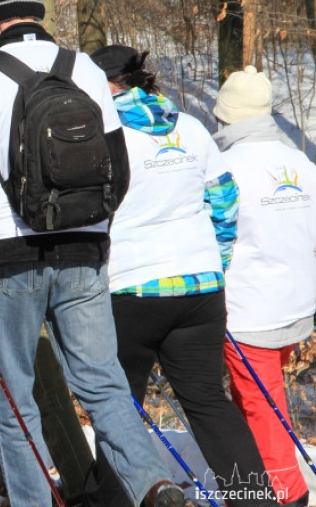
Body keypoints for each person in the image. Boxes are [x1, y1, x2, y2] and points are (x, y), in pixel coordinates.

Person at [0, 0, 184, 507]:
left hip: (11, 257)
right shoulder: (88, 70)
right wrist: (94, 229)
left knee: (16, 397)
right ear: (38, 14)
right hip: (85, 253)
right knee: (103, 383)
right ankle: (152, 483)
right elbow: (118, 167)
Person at [86, 46, 277, 507]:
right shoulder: (190, 127)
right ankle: (256, 502)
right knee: (210, 403)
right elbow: (225, 200)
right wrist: (218, 261)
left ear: (106, 84)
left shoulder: (102, 134)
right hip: (199, 286)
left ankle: (115, 501)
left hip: (129, 287)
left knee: (119, 407)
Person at [213, 65, 316, 507]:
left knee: (263, 409)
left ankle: (286, 495)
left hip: (248, 311)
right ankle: (248, 489)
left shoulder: (225, 168)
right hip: (295, 307)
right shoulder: (301, 161)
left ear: (226, 117)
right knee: (254, 400)